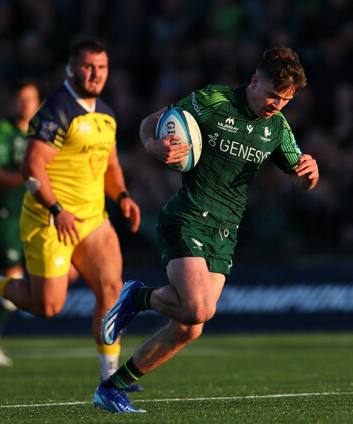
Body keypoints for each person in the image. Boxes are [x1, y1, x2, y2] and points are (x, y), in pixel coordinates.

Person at [93, 46, 320, 413]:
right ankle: (137, 298)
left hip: (225, 230)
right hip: (187, 217)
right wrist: (152, 144)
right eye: (273, 95)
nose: (277, 105)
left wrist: (309, 176)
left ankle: (112, 387)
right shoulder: (213, 101)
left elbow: (300, 178)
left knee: (190, 326)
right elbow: (152, 120)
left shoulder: (277, 127)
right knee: (199, 308)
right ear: (255, 81)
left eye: (286, 100)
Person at [0, 38, 142, 386]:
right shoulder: (56, 110)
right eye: (88, 66)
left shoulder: (106, 114)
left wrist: (123, 195)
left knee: (112, 289)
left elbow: (110, 163)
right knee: (47, 306)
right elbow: (31, 168)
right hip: (51, 219)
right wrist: (57, 209)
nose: (95, 74)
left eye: (102, 67)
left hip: (93, 219)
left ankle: (110, 381)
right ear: (71, 68)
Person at [0, 79, 41, 366]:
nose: (25, 104)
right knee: (13, 278)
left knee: (28, 280)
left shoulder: (41, 135)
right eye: (20, 98)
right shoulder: (2, 132)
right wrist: (28, 175)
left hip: (31, 217)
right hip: (4, 217)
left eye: (30, 98)